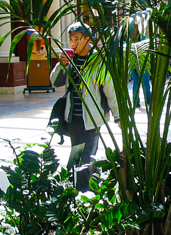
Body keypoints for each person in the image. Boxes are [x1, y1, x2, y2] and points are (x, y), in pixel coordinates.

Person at [51, 22, 120, 190]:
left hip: (92, 117)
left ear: (88, 39)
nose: (73, 43)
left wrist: (119, 116)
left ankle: (84, 191)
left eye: (77, 39)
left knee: (87, 156)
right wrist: (62, 64)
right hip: (72, 116)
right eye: (70, 39)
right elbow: (55, 81)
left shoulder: (98, 60)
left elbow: (110, 89)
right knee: (78, 154)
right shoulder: (70, 58)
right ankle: (91, 184)